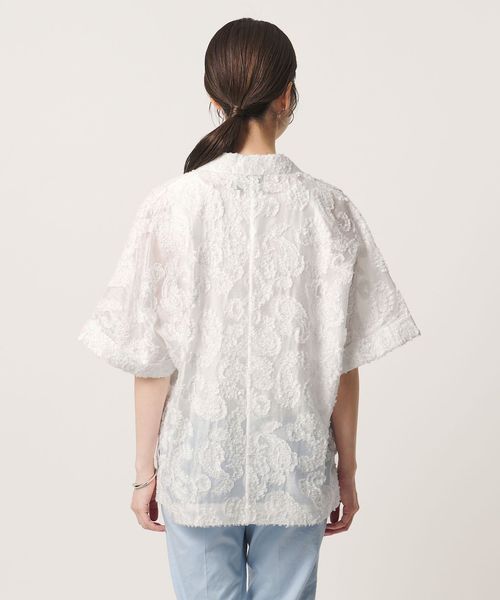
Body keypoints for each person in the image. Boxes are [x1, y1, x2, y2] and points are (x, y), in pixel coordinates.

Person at [77, 17, 421, 600]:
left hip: (197, 463)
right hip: (295, 464)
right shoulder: (329, 210)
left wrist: (143, 474)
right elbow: (344, 361)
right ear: (287, 94)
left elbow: (151, 362)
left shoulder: (170, 207)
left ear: (212, 97)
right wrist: (347, 472)